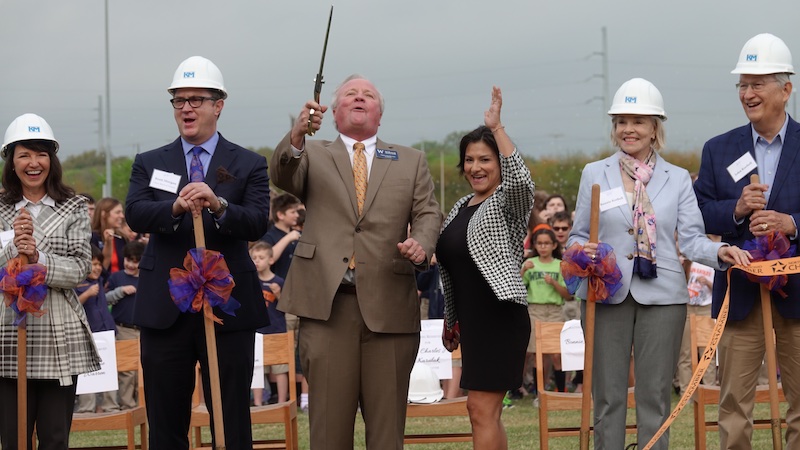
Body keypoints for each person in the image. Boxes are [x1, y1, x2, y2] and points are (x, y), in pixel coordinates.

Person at [568, 78, 750, 450]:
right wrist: (579, 251)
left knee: (654, 397)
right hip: (606, 294)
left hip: (664, 298)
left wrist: (720, 253)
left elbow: (693, 238)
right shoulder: (593, 173)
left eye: (638, 121)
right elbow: (576, 235)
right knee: (608, 396)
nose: (628, 129)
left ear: (655, 128)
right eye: (621, 121)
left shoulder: (678, 178)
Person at [270, 73, 441, 449]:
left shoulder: (411, 160)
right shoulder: (312, 154)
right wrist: (297, 134)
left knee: (386, 431)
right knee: (329, 432)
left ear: (380, 114)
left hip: (390, 309)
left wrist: (422, 244)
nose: (360, 98)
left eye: (369, 95)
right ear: (332, 113)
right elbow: (281, 173)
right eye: (350, 94)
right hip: (326, 309)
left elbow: (429, 213)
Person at [125, 56, 270, 450]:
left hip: (227, 307)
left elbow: (258, 221)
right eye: (178, 100)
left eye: (196, 99)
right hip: (164, 307)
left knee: (231, 417)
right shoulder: (149, 162)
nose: (186, 108)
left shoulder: (249, 163)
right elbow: (134, 212)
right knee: (166, 421)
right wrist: (174, 207)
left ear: (218, 104)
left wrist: (219, 205)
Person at [693, 33, 800, 449]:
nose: (748, 93)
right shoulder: (719, 150)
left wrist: (791, 223)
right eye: (742, 85)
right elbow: (699, 210)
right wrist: (736, 209)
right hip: (739, 296)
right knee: (734, 403)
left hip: (796, 295)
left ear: (785, 89)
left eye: (757, 84)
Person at [437, 87, 534, 449]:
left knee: (480, 408)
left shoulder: (508, 201)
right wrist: (452, 321)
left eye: (485, 160)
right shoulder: (461, 205)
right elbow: (453, 270)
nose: (475, 167)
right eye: (469, 160)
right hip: (473, 322)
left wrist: (496, 128)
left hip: (500, 317)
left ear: (499, 164)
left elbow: (523, 181)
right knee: (483, 412)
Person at [0, 113, 99, 448]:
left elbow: (81, 268)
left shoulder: (73, 206)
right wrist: (14, 249)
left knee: (55, 437)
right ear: (10, 161)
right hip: (9, 331)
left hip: (59, 333)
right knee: (13, 437)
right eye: (24, 154)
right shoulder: (0, 207)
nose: (33, 163)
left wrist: (38, 258)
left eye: (41, 154)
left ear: (52, 159)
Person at [521, 227, 573, 396]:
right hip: (534, 309)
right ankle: (539, 393)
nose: (543, 247)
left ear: (553, 245)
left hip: (555, 310)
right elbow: (518, 289)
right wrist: (522, 271)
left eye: (546, 243)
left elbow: (568, 295)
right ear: (535, 245)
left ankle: (561, 389)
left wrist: (554, 283)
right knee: (538, 354)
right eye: (539, 243)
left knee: (556, 354)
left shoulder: (560, 265)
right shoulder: (530, 264)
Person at [74, 245, 119, 414]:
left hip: (106, 332)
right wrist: (86, 294)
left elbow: (107, 257)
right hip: (87, 334)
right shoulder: (76, 282)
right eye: (93, 264)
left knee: (109, 370)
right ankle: (87, 408)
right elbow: (72, 306)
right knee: (87, 373)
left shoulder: (100, 279)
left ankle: (111, 405)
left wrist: (108, 240)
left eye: (99, 264)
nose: (98, 267)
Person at [106, 240, 145, 410]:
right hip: (123, 329)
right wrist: (120, 291)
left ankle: (141, 404)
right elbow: (104, 299)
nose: (130, 264)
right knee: (126, 370)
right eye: (128, 260)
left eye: (135, 261)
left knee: (141, 370)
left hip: (142, 330)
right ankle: (127, 404)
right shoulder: (116, 277)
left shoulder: (146, 279)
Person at [249, 241, 287, 406]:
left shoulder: (279, 281)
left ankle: (281, 402)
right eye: (254, 258)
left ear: (271, 260)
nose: (257, 261)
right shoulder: (251, 281)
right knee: (257, 369)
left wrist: (278, 294)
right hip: (257, 331)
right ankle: (258, 403)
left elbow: (287, 306)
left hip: (277, 329)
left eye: (261, 257)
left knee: (280, 368)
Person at [91, 197, 127, 275]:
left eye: (122, 212)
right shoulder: (93, 237)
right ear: (104, 214)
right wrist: (108, 242)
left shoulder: (122, 238)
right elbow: (101, 266)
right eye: (118, 212)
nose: (122, 216)